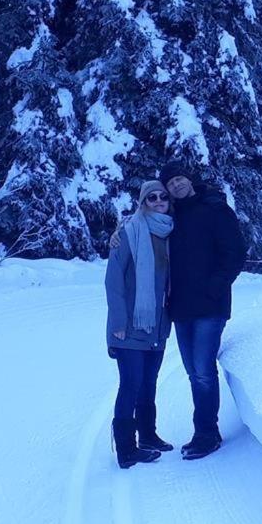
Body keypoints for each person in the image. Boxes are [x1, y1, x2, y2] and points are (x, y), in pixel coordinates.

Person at [158, 160, 248, 460]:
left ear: (190, 179)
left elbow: (236, 252)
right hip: (182, 308)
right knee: (193, 372)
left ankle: (206, 434)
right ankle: (206, 431)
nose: (176, 185)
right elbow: (142, 229)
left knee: (203, 373)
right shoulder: (171, 218)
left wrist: (217, 284)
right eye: (170, 184)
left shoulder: (215, 209)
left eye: (179, 179)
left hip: (211, 306)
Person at [104, 180, 175, 469]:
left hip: (157, 325)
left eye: (163, 197)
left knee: (148, 383)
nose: (158, 201)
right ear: (142, 202)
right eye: (151, 198)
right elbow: (113, 281)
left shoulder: (171, 233)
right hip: (130, 326)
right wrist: (118, 323)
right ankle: (126, 449)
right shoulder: (128, 232)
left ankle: (148, 435)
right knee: (131, 384)